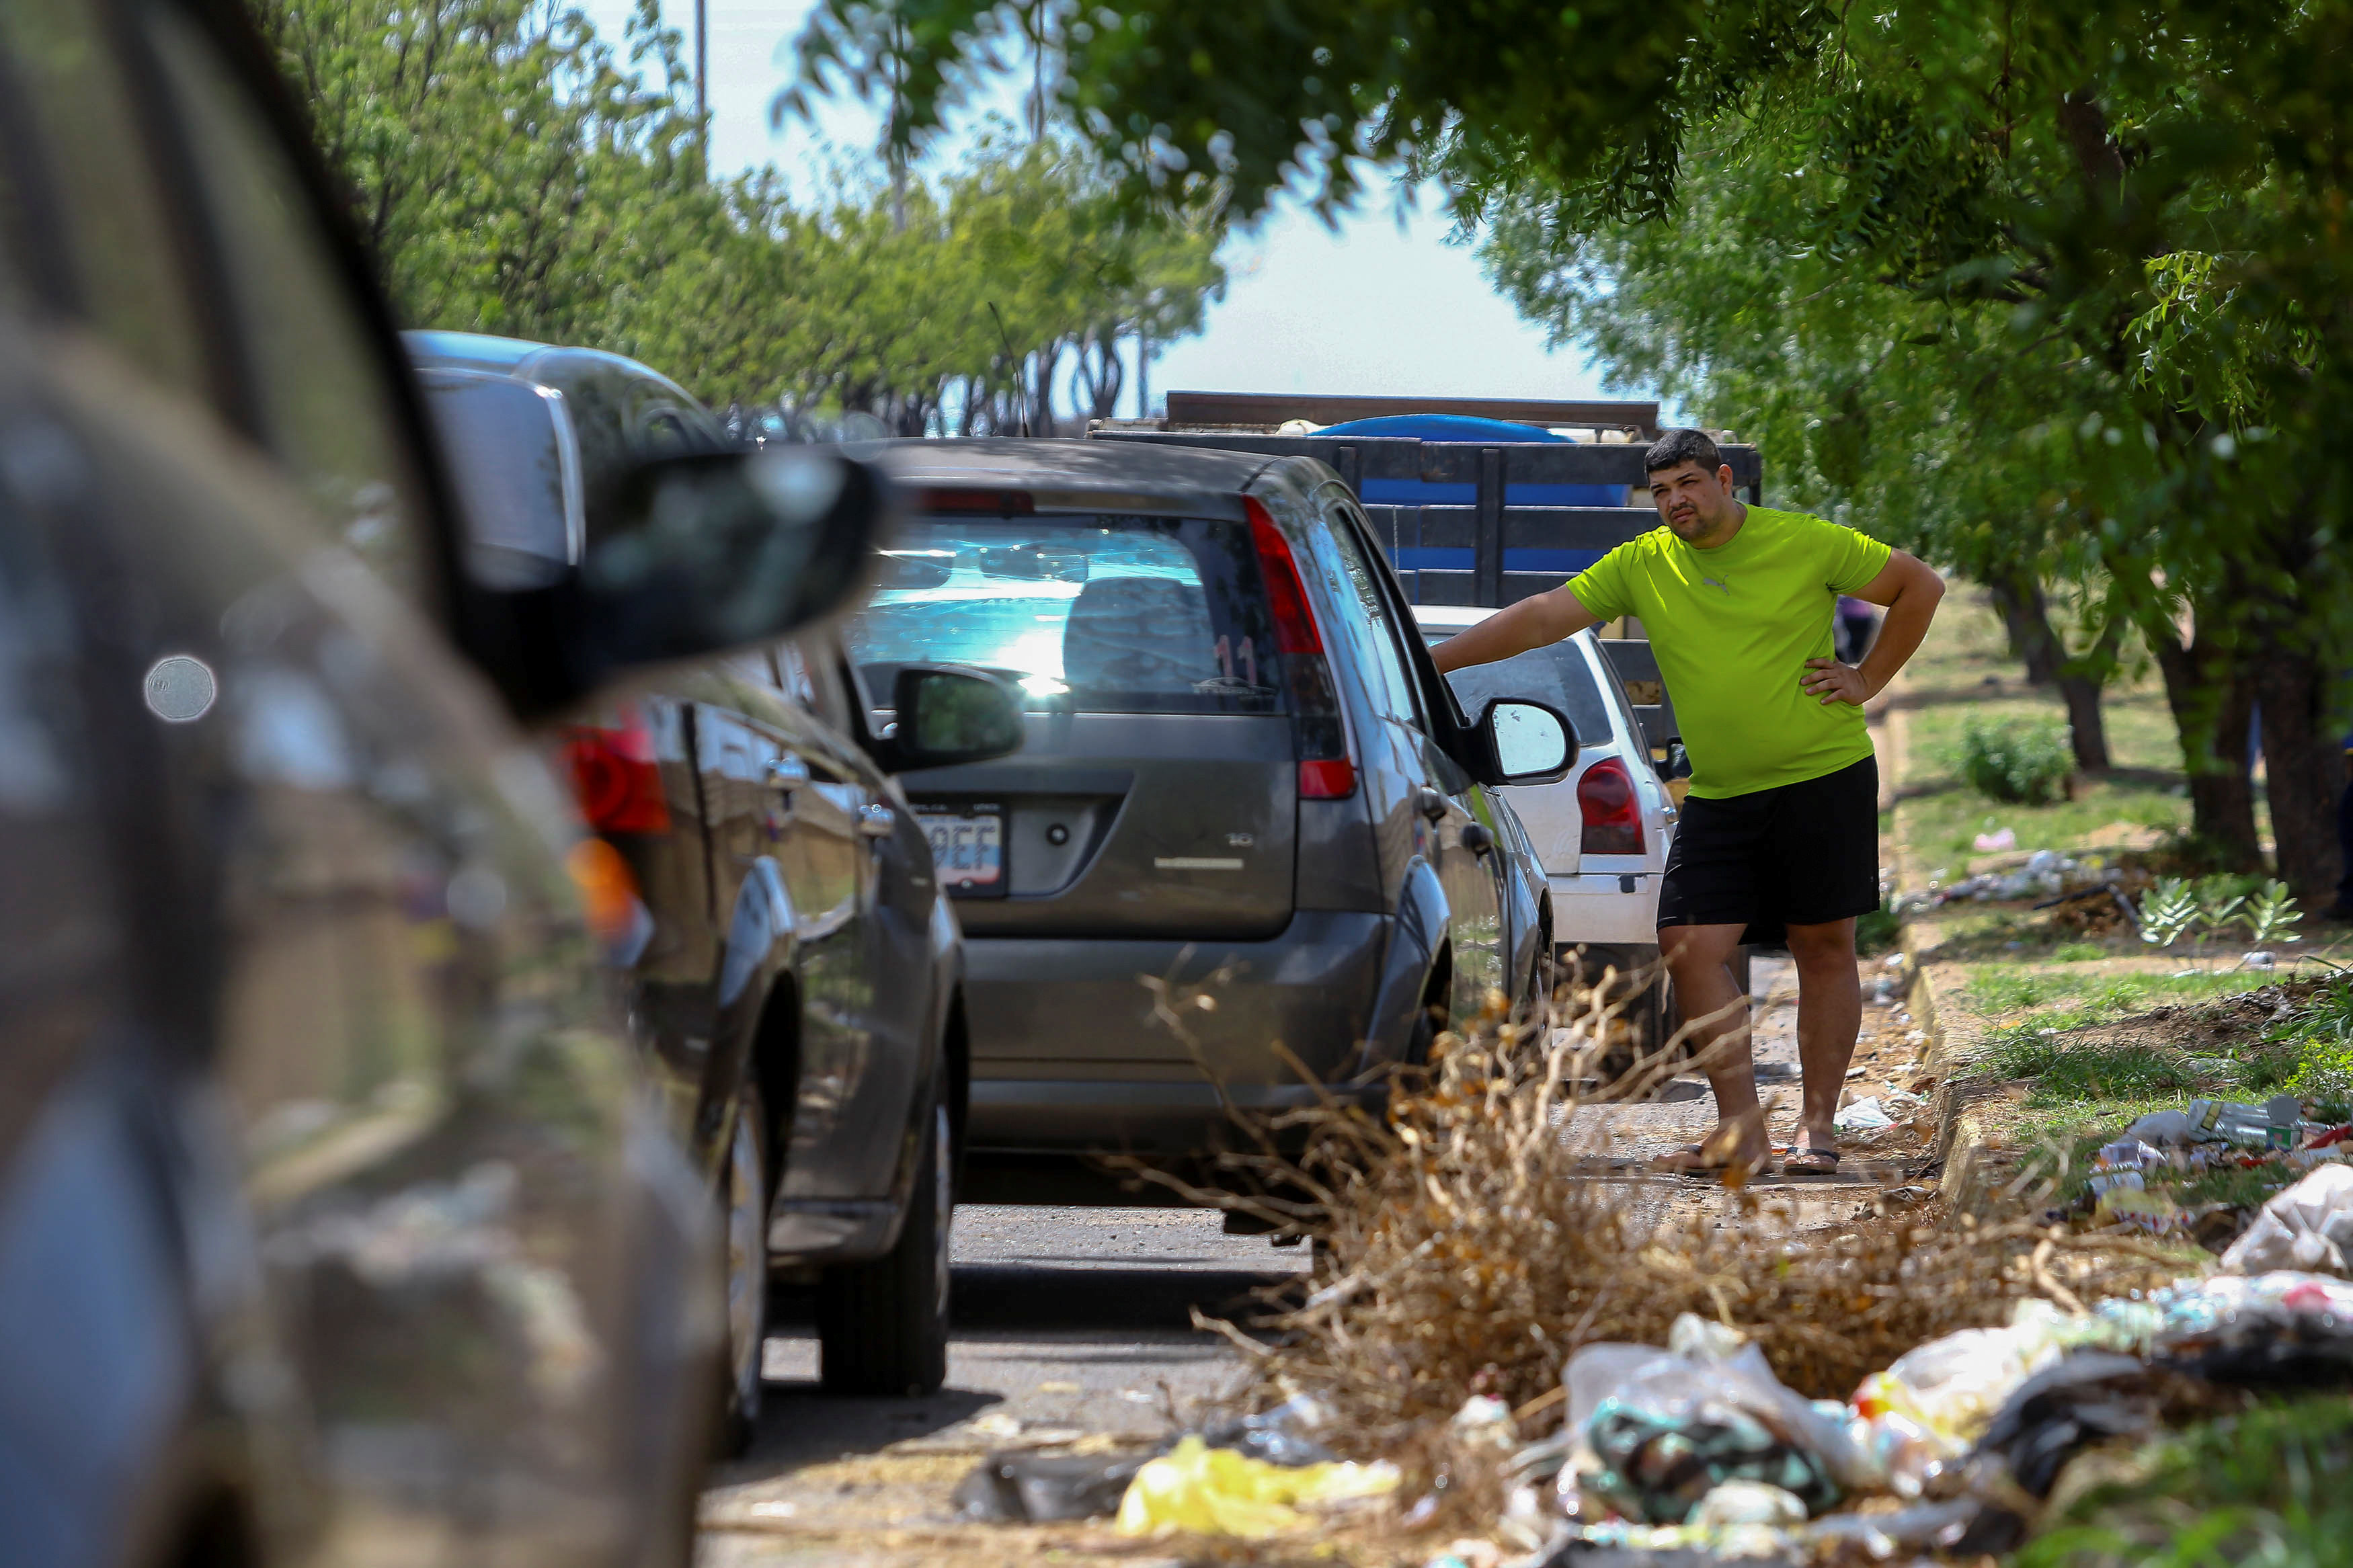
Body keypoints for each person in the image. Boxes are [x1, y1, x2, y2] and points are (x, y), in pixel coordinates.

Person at [1433, 429, 1945, 1175]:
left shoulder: (1803, 541)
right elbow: (1545, 615)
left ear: (1723, 479)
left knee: (1822, 946)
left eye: (1687, 483)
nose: (1675, 500)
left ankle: (1815, 1126)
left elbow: (1918, 585)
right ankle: (1741, 1127)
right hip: (1722, 793)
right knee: (1688, 945)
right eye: (1662, 489)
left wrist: (1866, 678)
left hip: (1822, 773)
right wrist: (1428, 658)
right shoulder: (1644, 563)